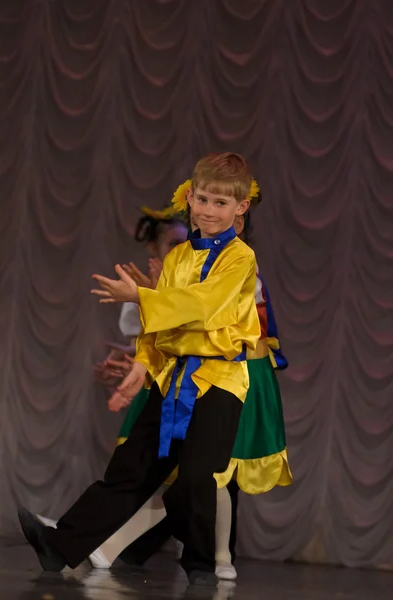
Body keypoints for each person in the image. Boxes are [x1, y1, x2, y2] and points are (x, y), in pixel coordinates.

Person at [18, 151, 261, 587]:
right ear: (190, 198)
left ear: (241, 207)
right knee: (131, 468)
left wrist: (139, 297)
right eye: (202, 199)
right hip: (173, 376)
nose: (208, 210)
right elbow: (157, 330)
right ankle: (62, 546)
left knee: (193, 478)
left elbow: (203, 307)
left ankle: (202, 563)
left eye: (221, 203)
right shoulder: (177, 259)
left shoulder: (240, 259)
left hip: (218, 381)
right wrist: (141, 367)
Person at [84, 195, 292, 580]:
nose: (187, 245)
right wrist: (132, 357)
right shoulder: (176, 276)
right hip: (181, 375)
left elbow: (213, 327)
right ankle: (136, 549)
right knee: (180, 469)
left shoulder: (233, 270)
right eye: (176, 243)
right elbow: (163, 338)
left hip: (233, 375)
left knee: (210, 472)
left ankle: (215, 556)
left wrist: (149, 299)